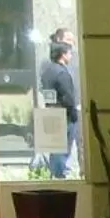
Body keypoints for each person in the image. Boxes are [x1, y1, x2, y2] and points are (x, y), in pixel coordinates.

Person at [38, 39, 79, 178]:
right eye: (69, 53)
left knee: (54, 149)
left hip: (50, 112)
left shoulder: (47, 71)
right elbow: (68, 97)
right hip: (64, 116)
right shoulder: (62, 73)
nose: (71, 56)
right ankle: (60, 175)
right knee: (63, 149)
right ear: (63, 54)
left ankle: (54, 174)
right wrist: (74, 114)